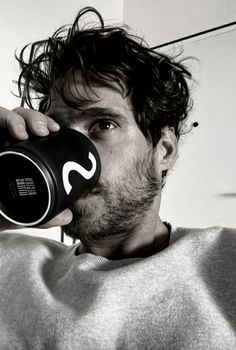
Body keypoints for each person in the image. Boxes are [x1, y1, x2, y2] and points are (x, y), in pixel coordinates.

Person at [0, 7, 235, 350]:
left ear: (164, 151)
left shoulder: (225, 263)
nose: (76, 149)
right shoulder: (13, 261)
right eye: (59, 132)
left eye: (103, 124)